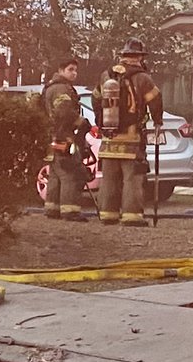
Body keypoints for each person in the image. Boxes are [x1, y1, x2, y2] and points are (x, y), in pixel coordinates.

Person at [93, 39, 163, 227]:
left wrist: (101, 123)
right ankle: (132, 216)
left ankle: (107, 214)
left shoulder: (106, 76)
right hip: (131, 139)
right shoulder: (142, 78)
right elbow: (155, 101)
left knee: (109, 178)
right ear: (139, 57)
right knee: (132, 177)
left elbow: (95, 99)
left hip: (109, 138)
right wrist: (158, 121)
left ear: (122, 56)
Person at [41, 57, 88, 222]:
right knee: (70, 172)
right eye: (70, 69)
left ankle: (52, 209)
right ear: (61, 70)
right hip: (63, 136)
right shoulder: (61, 89)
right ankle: (70, 211)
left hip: (51, 136)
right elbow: (64, 112)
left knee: (55, 173)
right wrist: (81, 122)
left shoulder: (50, 87)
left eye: (75, 70)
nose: (74, 73)